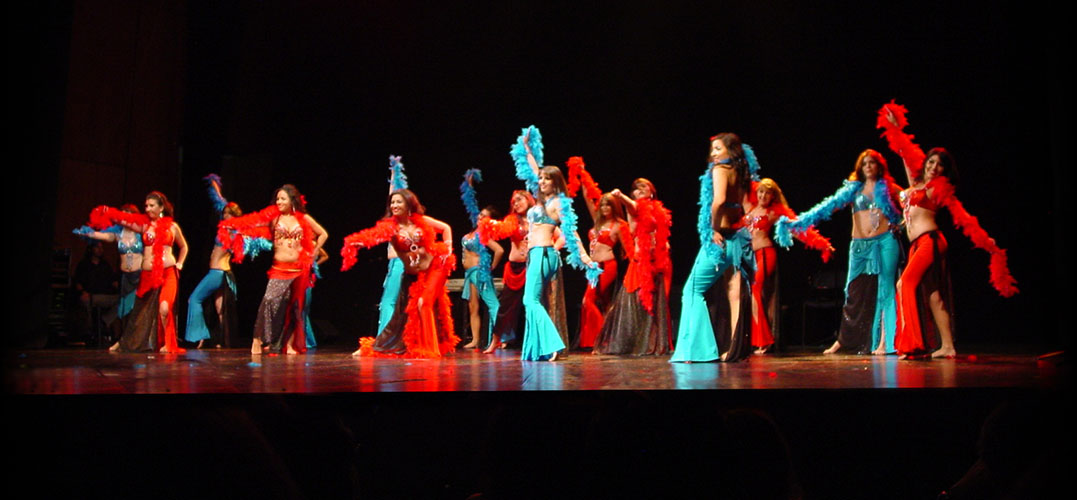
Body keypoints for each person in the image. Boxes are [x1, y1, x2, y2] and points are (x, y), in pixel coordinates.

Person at [877, 101, 1018, 358]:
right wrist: (896, 128)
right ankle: (948, 346)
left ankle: (914, 344)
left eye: (939, 165)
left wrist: (988, 244)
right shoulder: (917, 184)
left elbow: (964, 218)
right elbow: (905, 155)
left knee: (904, 283)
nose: (933, 167)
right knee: (933, 296)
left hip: (929, 241)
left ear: (944, 170)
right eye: (931, 162)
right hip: (917, 244)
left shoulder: (937, 190)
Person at [778, 150, 903, 355]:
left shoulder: (889, 188)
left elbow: (910, 203)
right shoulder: (853, 190)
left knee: (885, 289)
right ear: (860, 168)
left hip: (885, 241)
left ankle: (886, 342)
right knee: (852, 291)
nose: (868, 166)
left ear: (880, 166)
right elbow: (827, 207)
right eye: (865, 163)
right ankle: (844, 340)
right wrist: (800, 223)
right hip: (860, 245)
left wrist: (901, 224)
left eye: (872, 163)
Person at [510, 125, 600, 361]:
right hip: (538, 254)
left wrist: (585, 258)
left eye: (546, 179)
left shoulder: (557, 203)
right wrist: (527, 148)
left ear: (556, 182)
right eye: (541, 178)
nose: (541, 181)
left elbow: (571, 232)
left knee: (530, 300)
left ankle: (553, 344)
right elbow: (532, 170)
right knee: (534, 301)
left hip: (543, 253)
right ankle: (537, 349)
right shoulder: (543, 200)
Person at [342, 189, 458, 358]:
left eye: (398, 202)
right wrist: (360, 243)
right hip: (412, 276)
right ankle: (376, 347)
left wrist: (448, 249)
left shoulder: (420, 221)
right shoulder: (391, 227)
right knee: (400, 317)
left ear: (408, 204)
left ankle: (429, 351)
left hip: (435, 267)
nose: (394, 205)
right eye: (392, 202)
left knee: (423, 303)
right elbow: (374, 236)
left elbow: (445, 228)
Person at [670, 133, 756, 363]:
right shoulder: (740, 172)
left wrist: (712, 230)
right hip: (736, 240)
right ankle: (735, 348)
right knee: (733, 293)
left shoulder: (720, 170)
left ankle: (697, 351)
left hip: (721, 239)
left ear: (731, 151)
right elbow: (743, 206)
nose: (713, 153)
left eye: (718, 148)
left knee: (692, 290)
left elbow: (718, 201)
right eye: (712, 149)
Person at [217, 184, 328, 355]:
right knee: (269, 300)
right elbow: (253, 224)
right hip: (280, 268)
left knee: (295, 307)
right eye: (277, 199)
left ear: (292, 200)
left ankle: (289, 345)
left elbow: (323, 234)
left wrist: (314, 251)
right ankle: (257, 339)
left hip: (299, 269)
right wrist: (235, 225)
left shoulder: (303, 218)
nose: (279, 202)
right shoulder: (275, 218)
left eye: (283, 198)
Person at [87, 192, 188, 353]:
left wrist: (180, 262)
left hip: (168, 272)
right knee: (137, 313)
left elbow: (183, 247)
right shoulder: (144, 226)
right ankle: (124, 342)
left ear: (161, 207)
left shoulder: (172, 227)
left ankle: (168, 343)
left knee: (164, 308)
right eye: (146, 206)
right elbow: (126, 220)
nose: (147, 209)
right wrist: (109, 212)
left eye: (152, 206)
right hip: (147, 274)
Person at [743, 178, 833, 353]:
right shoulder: (749, 207)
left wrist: (821, 244)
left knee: (755, 290)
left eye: (767, 193)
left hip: (765, 254)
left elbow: (797, 230)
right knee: (750, 293)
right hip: (749, 256)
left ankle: (764, 340)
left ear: (773, 196)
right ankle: (755, 339)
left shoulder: (774, 212)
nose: (763, 195)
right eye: (761, 191)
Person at [594, 178, 674, 355]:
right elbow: (632, 205)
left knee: (656, 304)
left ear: (652, 190)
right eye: (637, 188)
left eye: (644, 186)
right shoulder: (635, 208)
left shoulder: (657, 209)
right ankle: (633, 343)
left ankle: (653, 343)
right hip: (641, 261)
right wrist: (620, 196)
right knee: (636, 302)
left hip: (658, 262)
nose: (641, 189)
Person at [563, 157, 633, 349]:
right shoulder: (597, 221)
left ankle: (601, 339)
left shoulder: (619, 225)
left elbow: (628, 250)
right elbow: (588, 196)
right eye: (602, 205)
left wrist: (634, 270)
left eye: (608, 205)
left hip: (607, 267)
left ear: (614, 206)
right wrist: (582, 172)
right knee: (605, 302)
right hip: (593, 267)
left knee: (588, 300)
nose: (604, 208)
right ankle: (607, 340)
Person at [184, 174, 242, 348]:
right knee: (220, 309)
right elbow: (220, 201)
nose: (225, 216)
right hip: (218, 272)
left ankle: (200, 335)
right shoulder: (225, 228)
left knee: (194, 299)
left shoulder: (235, 233)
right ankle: (224, 341)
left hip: (218, 272)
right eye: (225, 214)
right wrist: (214, 184)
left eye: (229, 214)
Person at [478, 190, 535, 353]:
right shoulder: (511, 220)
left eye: (520, 200)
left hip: (532, 267)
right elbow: (501, 229)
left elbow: (557, 235)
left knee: (533, 305)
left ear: (529, 199)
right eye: (514, 202)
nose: (516, 204)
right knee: (505, 308)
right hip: (515, 268)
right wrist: (488, 223)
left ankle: (534, 342)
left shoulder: (536, 218)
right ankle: (495, 342)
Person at [73, 203, 144, 325]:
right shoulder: (119, 234)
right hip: (125, 277)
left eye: (128, 216)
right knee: (125, 311)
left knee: (137, 311)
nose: (124, 219)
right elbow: (105, 236)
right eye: (122, 216)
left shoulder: (141, 232)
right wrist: (90, 233)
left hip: (139, 276)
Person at [459, 169, 504, 350]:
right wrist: (469, 186)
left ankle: (499, 337)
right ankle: (476, 339)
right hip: (469, 273)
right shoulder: (474, 230)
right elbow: (471, 205)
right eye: (480, 215)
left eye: (484, 216)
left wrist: (490, 267)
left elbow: (499, 250)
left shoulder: (484, 233)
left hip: (479, 271)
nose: (480, 217)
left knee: (493, 304)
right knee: (473, 306)